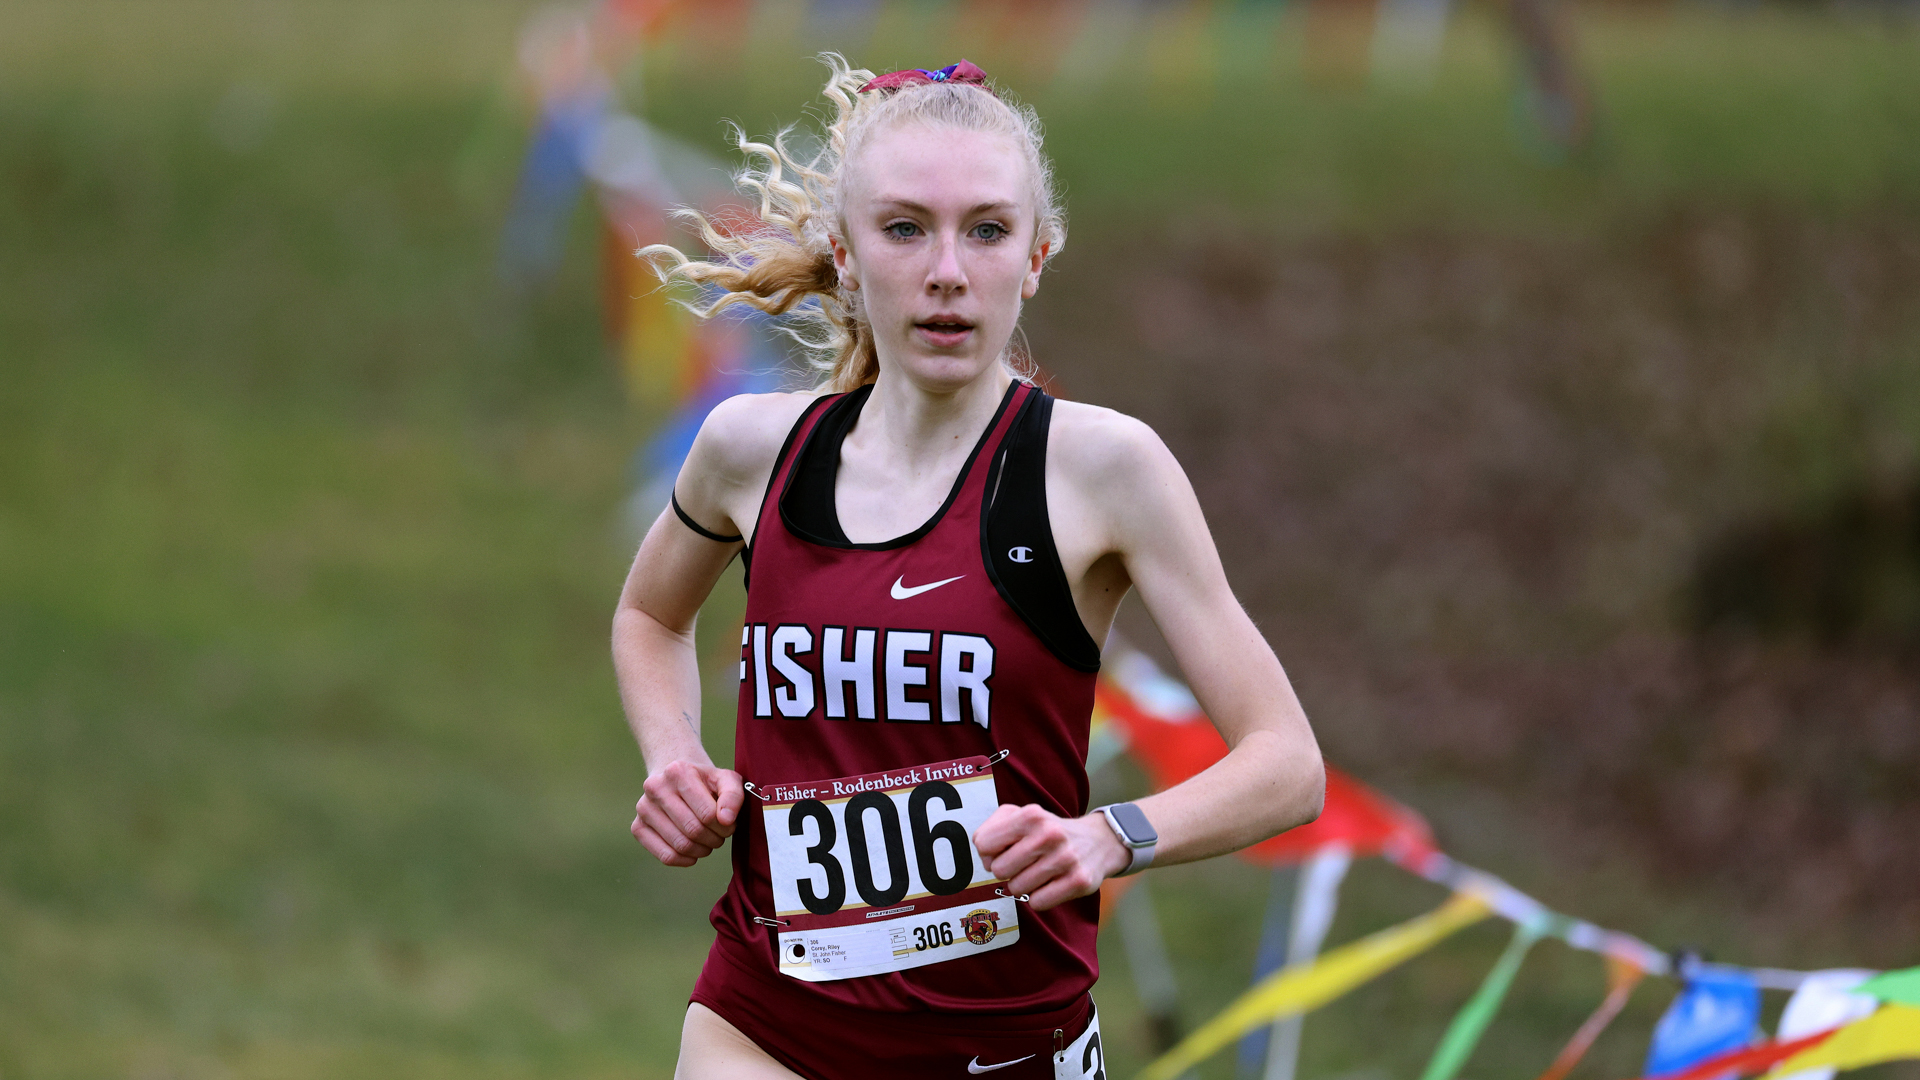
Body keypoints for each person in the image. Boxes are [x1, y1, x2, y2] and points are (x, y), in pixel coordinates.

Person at [612, 56, 1324, 1080]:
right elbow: (649, 616)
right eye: (905, 228)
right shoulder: (748, 450)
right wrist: (673, 758)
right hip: (760, 1028)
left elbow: (1286, 764)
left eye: (986, 230)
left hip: (1004, 1052)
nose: (947, 269)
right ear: (846, 255)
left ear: (1036, 256)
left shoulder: (1102, 471)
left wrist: (1113, 836)